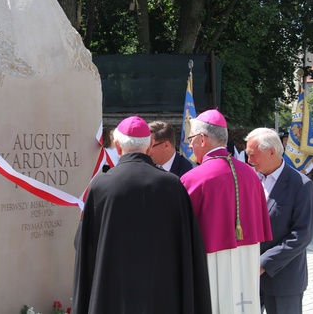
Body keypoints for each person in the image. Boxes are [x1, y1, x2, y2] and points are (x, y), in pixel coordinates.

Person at [72, 116, 212, 314]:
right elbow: (189, 247)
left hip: (113, 293)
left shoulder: (101, 185)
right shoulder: (172, 185)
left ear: (118, 148)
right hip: (163, 295)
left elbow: (83, 243)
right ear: (148, 149)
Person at [180, 110, 272, 314]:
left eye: (191, 138)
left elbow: (181, 231)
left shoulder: (194, 178)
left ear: (202, 139)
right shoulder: (251, 174)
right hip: (247, 258)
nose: (189, 144)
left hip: (210, 259)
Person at [245, 128, 313, 314]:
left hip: (283, 280)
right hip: (247, 277)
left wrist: (263, 263)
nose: (249, 161)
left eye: (253, 155)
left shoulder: (301, 185)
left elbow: (302, 235)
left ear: (271, 152)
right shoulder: (249, 180)